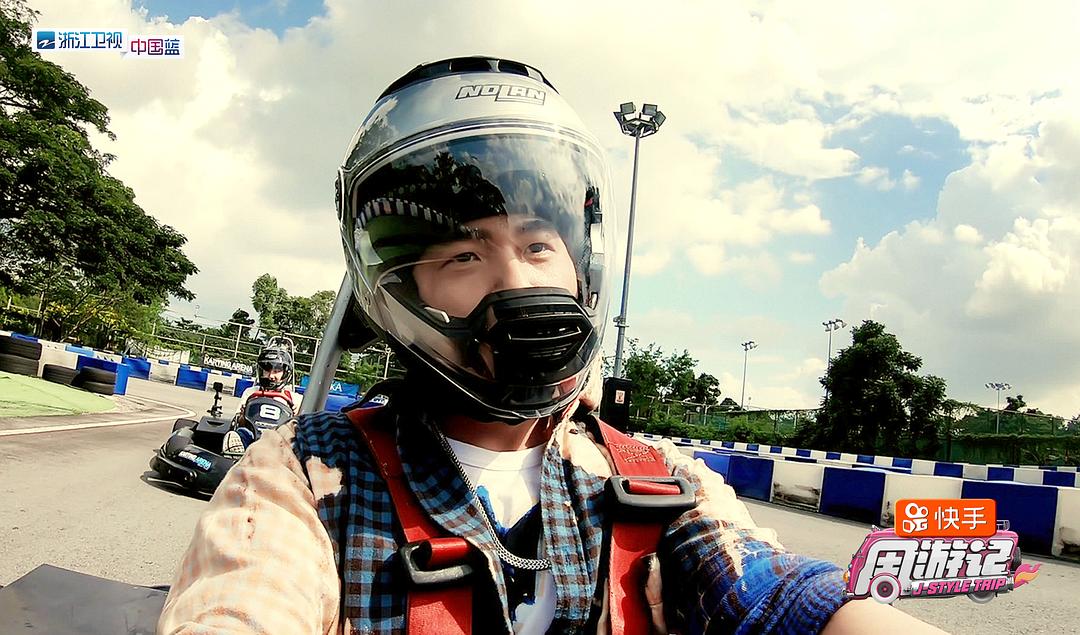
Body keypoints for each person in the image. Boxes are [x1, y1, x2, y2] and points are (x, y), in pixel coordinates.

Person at [159, 57, 947, 634]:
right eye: (463, 255)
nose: (517, 280)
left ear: (581, 267)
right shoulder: (306, 475)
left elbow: (775, 592)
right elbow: (245, 600)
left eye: (539, 245)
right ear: (401, 290)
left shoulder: (657, 482)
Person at [221, 343, 300, 457]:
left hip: (281, 443)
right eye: (267, 370)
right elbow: (239, 423)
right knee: (236, 435)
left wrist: (298, 416)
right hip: (253, 437)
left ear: (285, 373)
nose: (271, 376)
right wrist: (243, 414)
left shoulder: (295, 399)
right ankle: (238, 458)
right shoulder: (251, 392)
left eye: (276, 371)